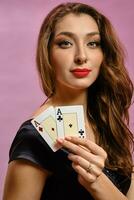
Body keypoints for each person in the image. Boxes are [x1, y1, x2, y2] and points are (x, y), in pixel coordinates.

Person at [3, 2, 134, 200]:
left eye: (93, 43)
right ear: (48, 54)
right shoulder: (35, 137)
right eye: (65, 43)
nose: (81, 56)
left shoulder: (107, 121)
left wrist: (98, 183)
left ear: (104, 54)